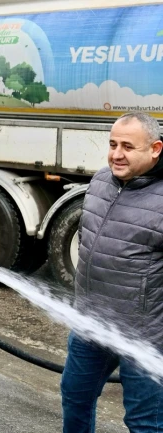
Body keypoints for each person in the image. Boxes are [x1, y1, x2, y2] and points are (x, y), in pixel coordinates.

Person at [61, 111, 163, 433]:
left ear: (155, 149)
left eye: (128, 147)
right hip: (90, 325)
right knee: (74, 397)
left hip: (144, 336)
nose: (116, 154)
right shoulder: (101, 180)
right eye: (112, 144)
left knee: (144, 423)